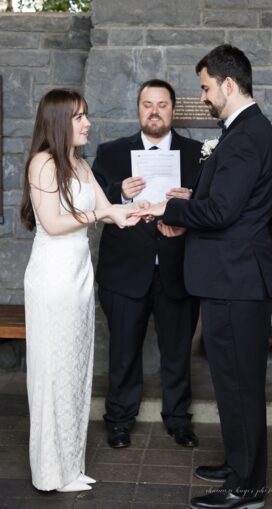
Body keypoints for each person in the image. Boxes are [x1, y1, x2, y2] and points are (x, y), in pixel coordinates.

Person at [131, 45, 272, 509]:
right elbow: (221, 204)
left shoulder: (246, 135)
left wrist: (167, 207)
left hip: (236, 280)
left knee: (239, 385)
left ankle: (247, 488)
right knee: (232, 382)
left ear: (229, 85)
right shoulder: (241, 131)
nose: (205, 97)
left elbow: (222, 209)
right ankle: (240, 465)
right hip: (229, 276)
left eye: (206, 87)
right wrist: (187, 206)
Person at [20, 88, 140, 492]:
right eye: (79, 117)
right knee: (53, 374)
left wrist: (138, 210)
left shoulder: (79, 164)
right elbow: (53, 224)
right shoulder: (42, 164)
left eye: (86, 115)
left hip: (79, 277)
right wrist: (102, 213)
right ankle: (49, 472)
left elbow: (109, 210)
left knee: (76, 371)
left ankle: (70, 466)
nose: (87, 122)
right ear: (57, 122)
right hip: (52, 279)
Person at [93, 79, 202, 450]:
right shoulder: (109, 153)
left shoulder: (198, 153)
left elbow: (214, 207)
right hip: (125, 270)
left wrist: (191, 201)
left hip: (178, 267)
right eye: (147, 104)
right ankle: (120, 420)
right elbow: (93, 206)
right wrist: (120, 193)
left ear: (173, 109)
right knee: (123, 351)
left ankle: (178, 420)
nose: (154, 111)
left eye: (162, 104)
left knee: (177, 352)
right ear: (138, 109)